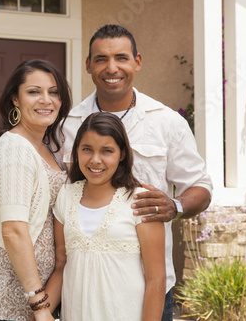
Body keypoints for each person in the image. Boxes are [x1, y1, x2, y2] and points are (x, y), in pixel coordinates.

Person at [56, 24, 213, 320]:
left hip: (152, 285)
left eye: (121, 58)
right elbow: (53, 193)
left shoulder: (166, 122)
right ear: (88, 65)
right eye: (101, 59)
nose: (111, 67)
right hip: (84, 287)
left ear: (137, 62)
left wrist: (175, 206)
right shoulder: (69, 124)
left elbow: (201, 186)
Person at [0, 59, 72, 321]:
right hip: (11, 299)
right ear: (15, 100)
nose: (46, 100)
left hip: (39, 295)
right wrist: (40, 306)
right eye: (33, 92)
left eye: (53, 92)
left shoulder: (47, 148)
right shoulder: (14, 147)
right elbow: (14, 230)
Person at [50, 112, 166, 320]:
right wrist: (39, 310)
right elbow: (61, 266)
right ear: (76, 151)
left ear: (121, 154)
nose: (95, 160)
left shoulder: (141, 201)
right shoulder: (66, 197)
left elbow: (156, 280)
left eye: (107, 151)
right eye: (87, 149)